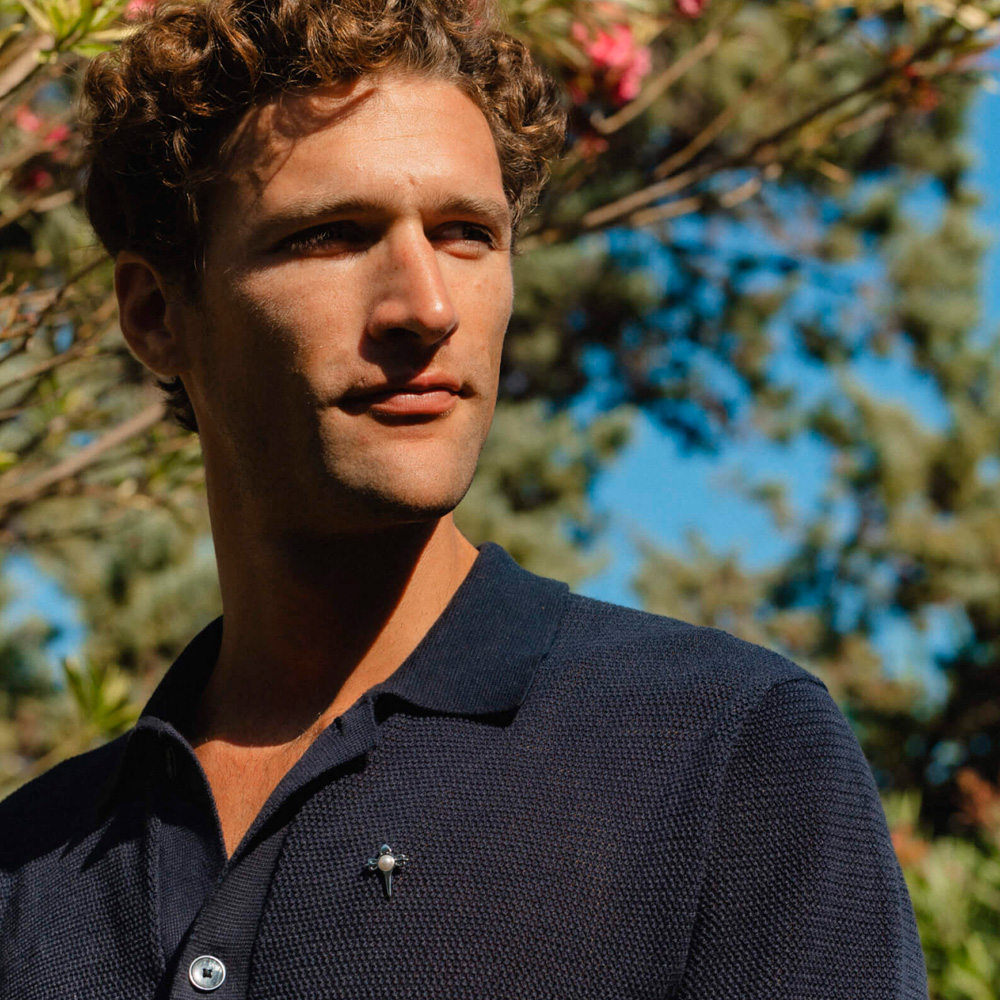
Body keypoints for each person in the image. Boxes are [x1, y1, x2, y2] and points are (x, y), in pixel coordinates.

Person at [0, 0, 929, 996]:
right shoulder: (30, 865)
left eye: (466, 234)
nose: (427, 307)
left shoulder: (725, 753)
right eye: (333, 235)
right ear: (155, 314)